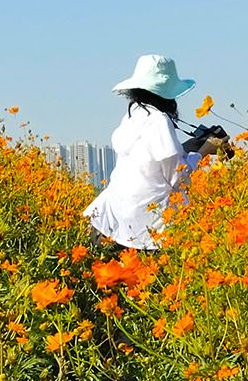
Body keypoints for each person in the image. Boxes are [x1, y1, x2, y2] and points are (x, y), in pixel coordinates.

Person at [84, 54, 229, 251]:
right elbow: (178, 177)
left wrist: (192, 145)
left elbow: (151, 162)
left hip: (110, 219)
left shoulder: (133, 114)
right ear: (169, 94)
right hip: (144, 230)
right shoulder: (159, 120)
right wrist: (205, 149)